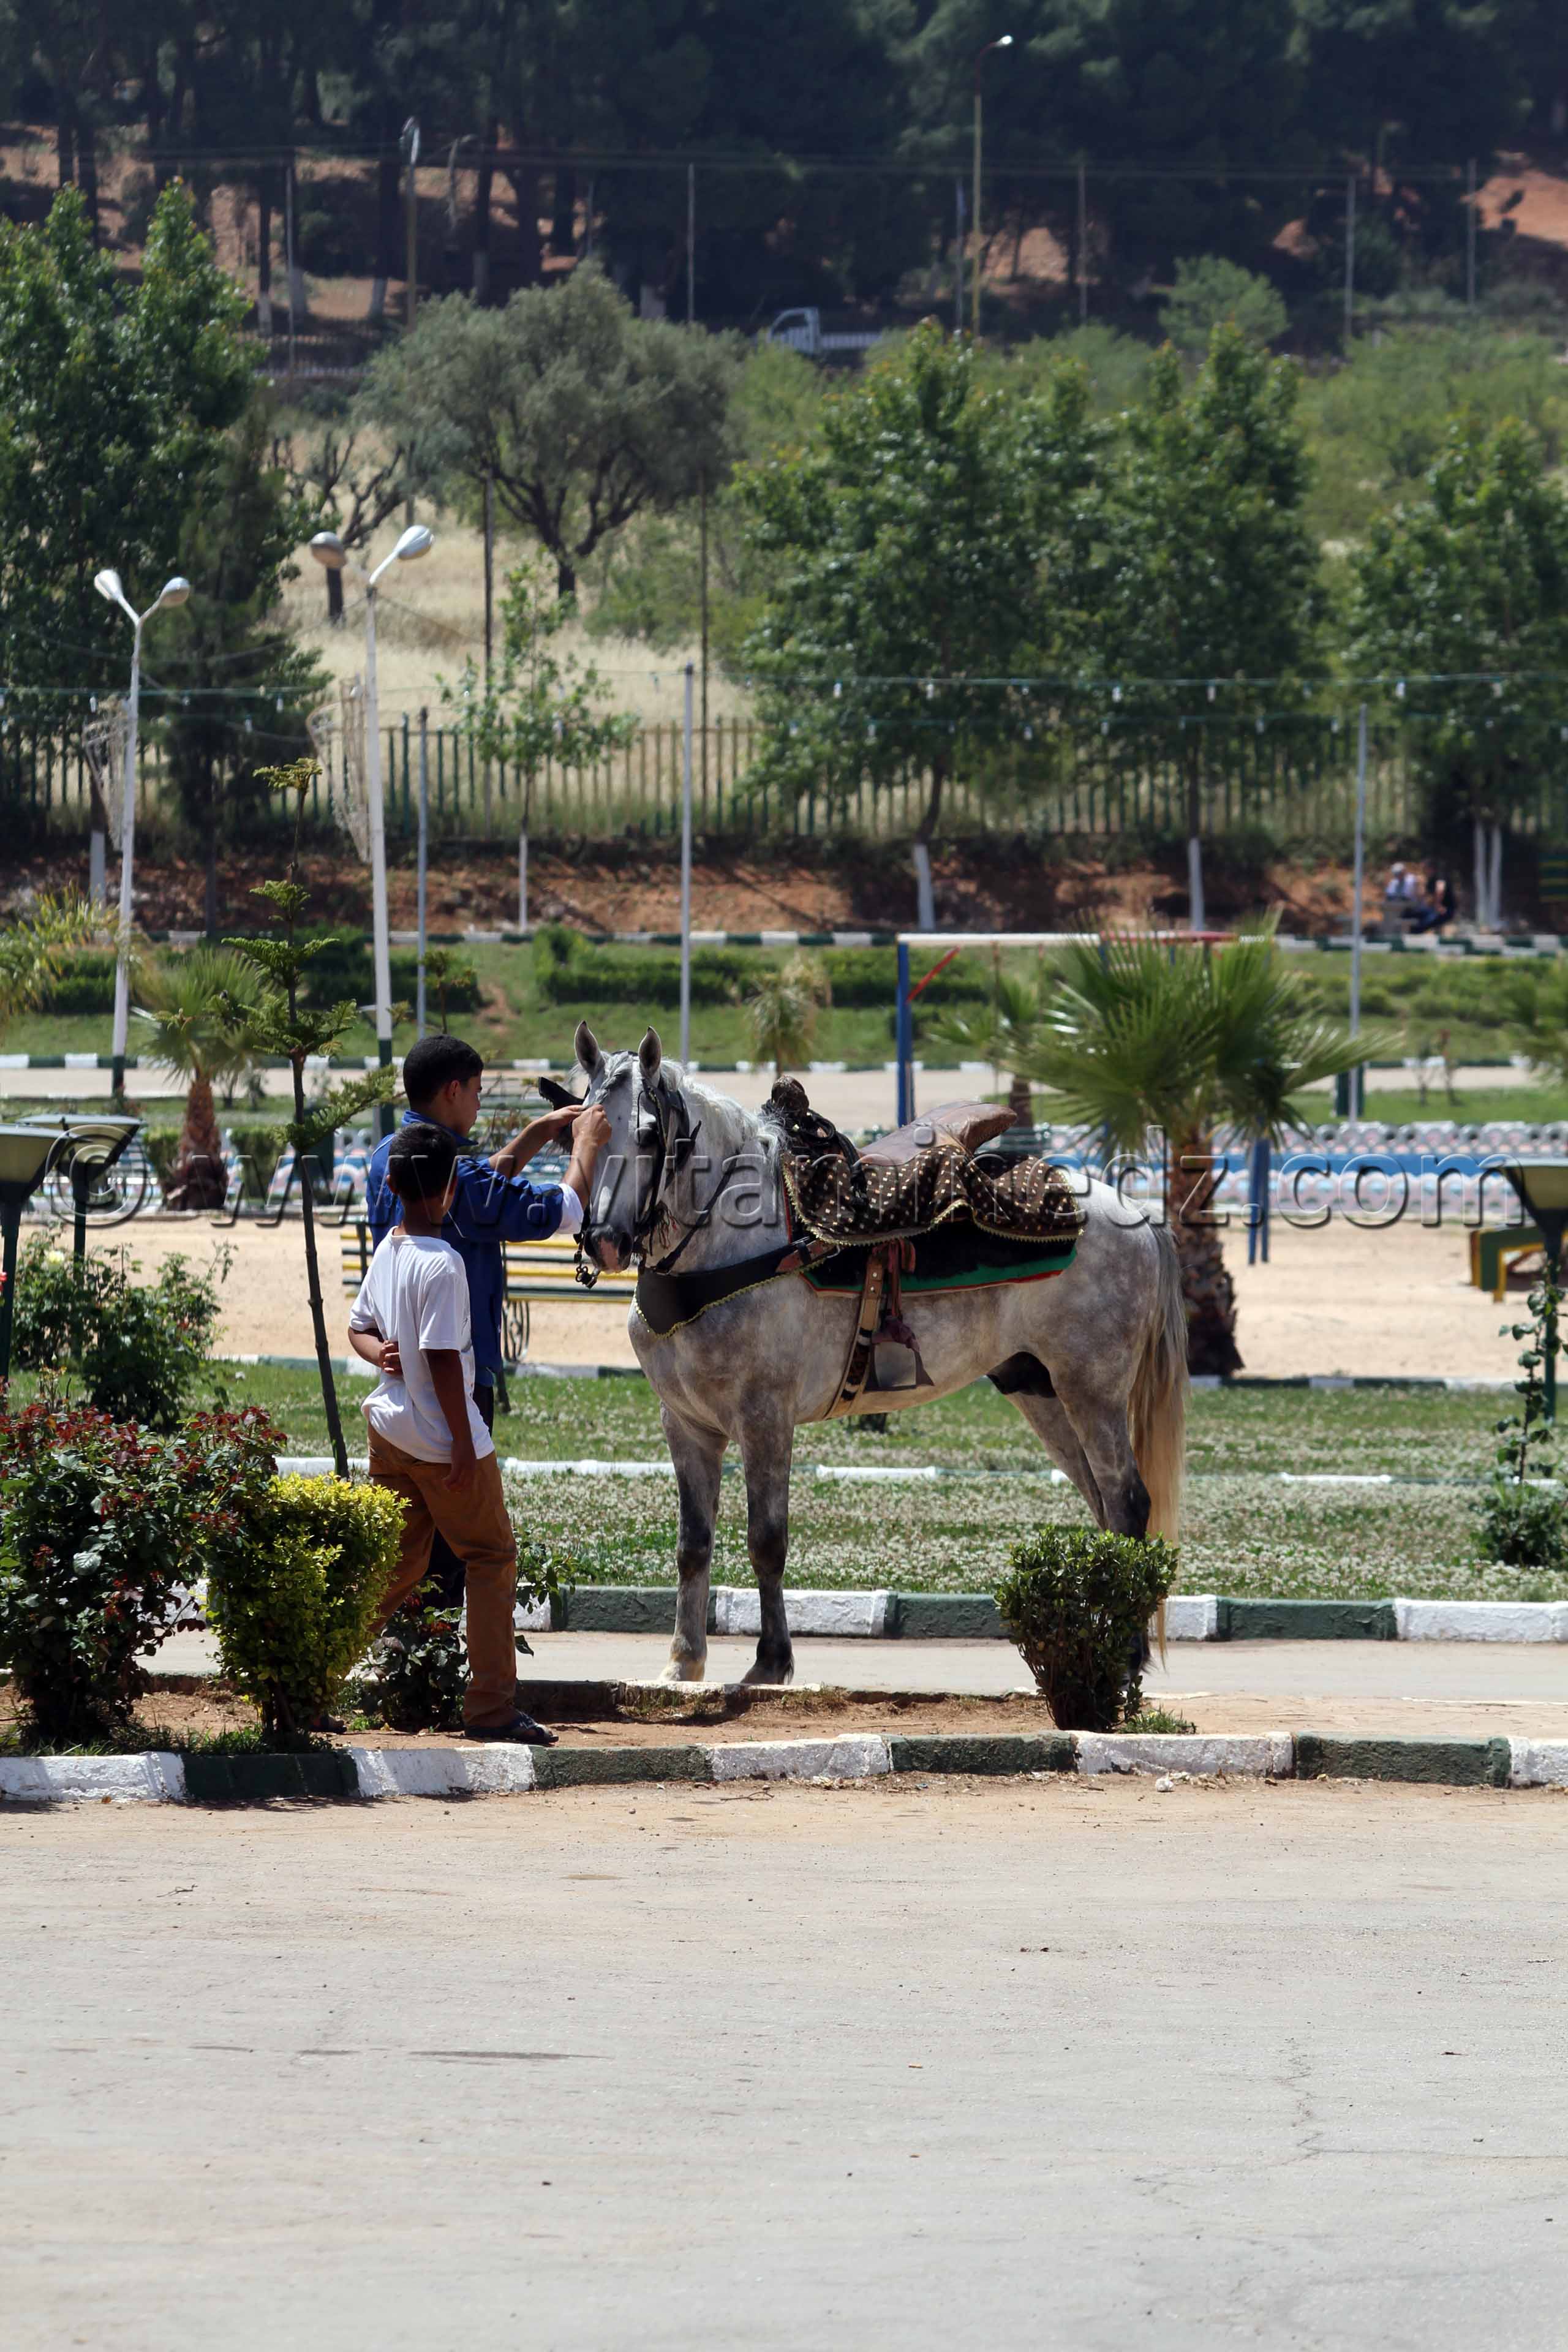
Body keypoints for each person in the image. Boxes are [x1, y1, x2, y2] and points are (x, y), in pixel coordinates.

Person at [365, 1033, 607, 1605]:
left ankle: (401, 1651)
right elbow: (562, 1212)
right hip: (455, 1387)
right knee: (465, 1551)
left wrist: (537, 1134)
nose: (478, 1102)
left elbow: (476, 1189)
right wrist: (585, 1146)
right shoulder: (455, 1177)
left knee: (407, 1548)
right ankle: (446, 1659)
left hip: (397, 1383)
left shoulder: (391, 1156)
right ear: (452, 1091)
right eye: (475, 1090)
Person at [350, 1122, 564, 1743]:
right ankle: (490, 1707)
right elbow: (444, 1359)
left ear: (392, 1186)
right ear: (450, 1190)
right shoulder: (444, 1264)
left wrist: (380, 1355)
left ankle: (311, 1679)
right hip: (441, 1438)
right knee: (491, 1557)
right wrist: (466, 1445)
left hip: (389, 1435)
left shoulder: (389, 1249)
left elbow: (358, 1327)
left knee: (395, 1568)